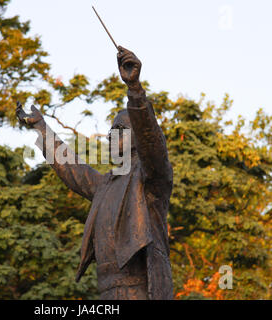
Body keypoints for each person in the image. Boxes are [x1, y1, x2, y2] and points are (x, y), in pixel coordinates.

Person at [16, 46, 173, 300]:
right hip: (107, 293)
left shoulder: (152, 177)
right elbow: (73, 170)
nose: (111, 136)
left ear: (136, 138)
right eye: (110, 131)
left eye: (119, 129)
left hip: (142, 290)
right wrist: (42, 129)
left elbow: (153, 143)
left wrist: (135, 90)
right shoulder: (107, 184)